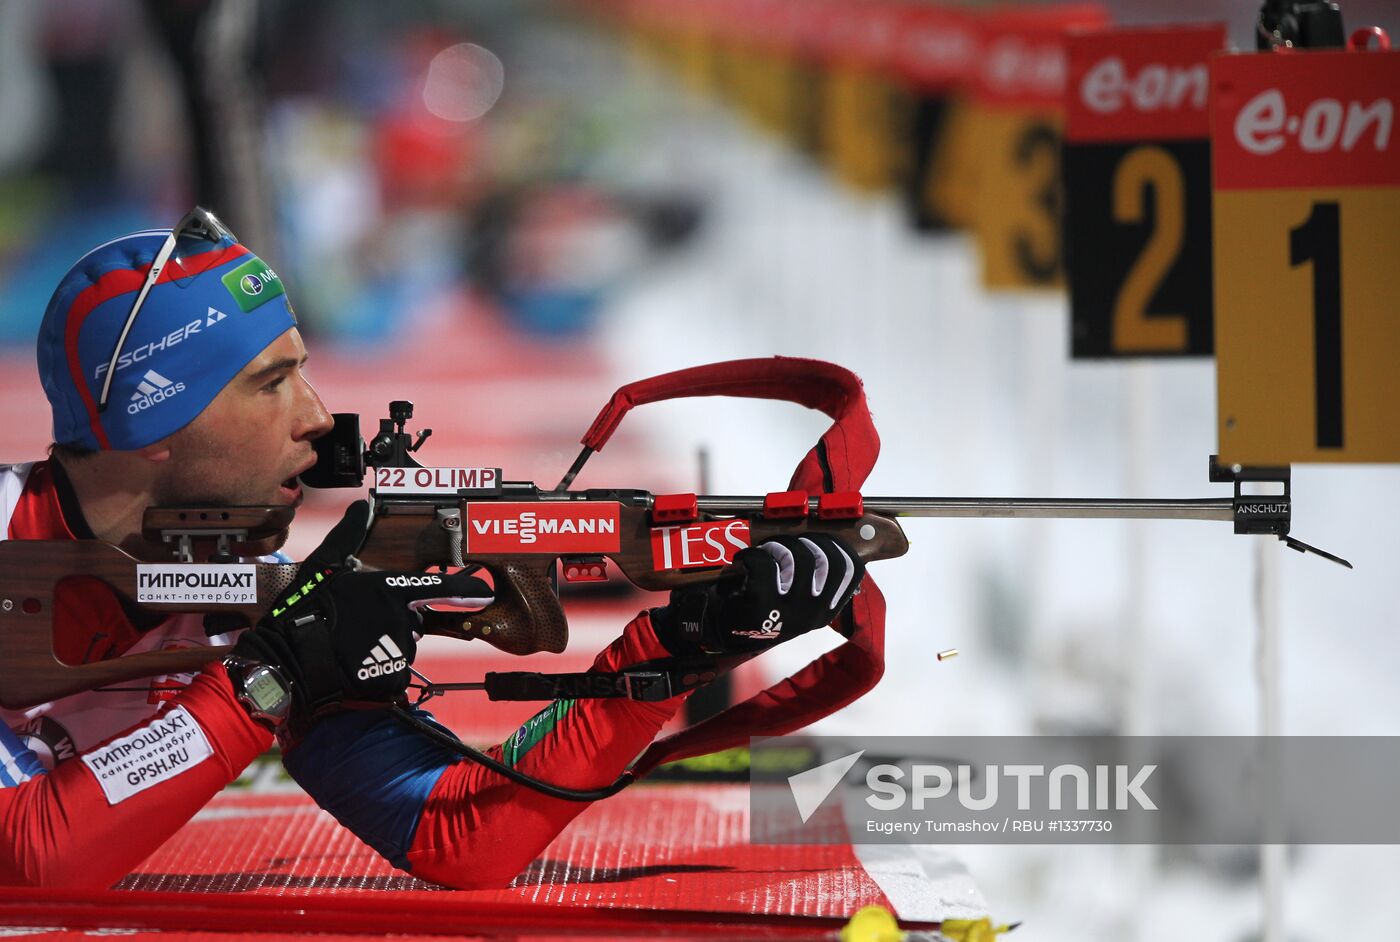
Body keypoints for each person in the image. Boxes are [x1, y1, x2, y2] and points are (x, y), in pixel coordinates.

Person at [0, 209, 865, 890]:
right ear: (153, 420)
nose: (316, 418)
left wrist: (673, 653)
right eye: (270, 384)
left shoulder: (233, 601)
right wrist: (263, 687)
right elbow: (28, 859)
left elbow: (458, 836)